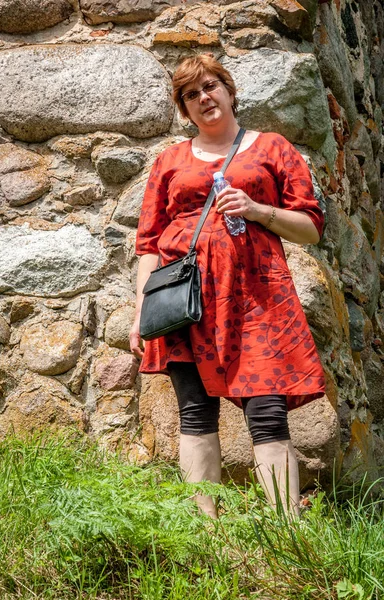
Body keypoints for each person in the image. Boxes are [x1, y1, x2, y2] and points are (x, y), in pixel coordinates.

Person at [130, 54, 325, 518]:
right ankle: (207, 532)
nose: (204, 98)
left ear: (230, 91)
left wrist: (257, 209)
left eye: (211, 86)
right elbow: (149, 243)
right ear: (185, 109)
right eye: (191, 94)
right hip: (186, 302)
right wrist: (142, 313)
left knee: (267, 414)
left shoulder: (273, 147)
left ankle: (287, 533)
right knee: (194, 414)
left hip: (256, 299)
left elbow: (310, 228)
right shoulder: (170, 161)